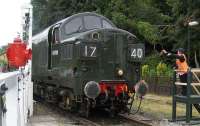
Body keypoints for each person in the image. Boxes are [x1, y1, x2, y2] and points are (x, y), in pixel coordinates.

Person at [161, 48, 200, 113]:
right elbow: (177, 63)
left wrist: (169, 54)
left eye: (178, 51)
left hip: (185, 73)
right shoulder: (178, 57)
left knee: (186, 87)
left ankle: (186, 95)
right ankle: (183, 93)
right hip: (181, 73)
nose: (177, 52)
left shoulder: (182, 56)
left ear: (180, 52)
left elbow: (176, 56)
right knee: (184, 86)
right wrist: (166, 53)